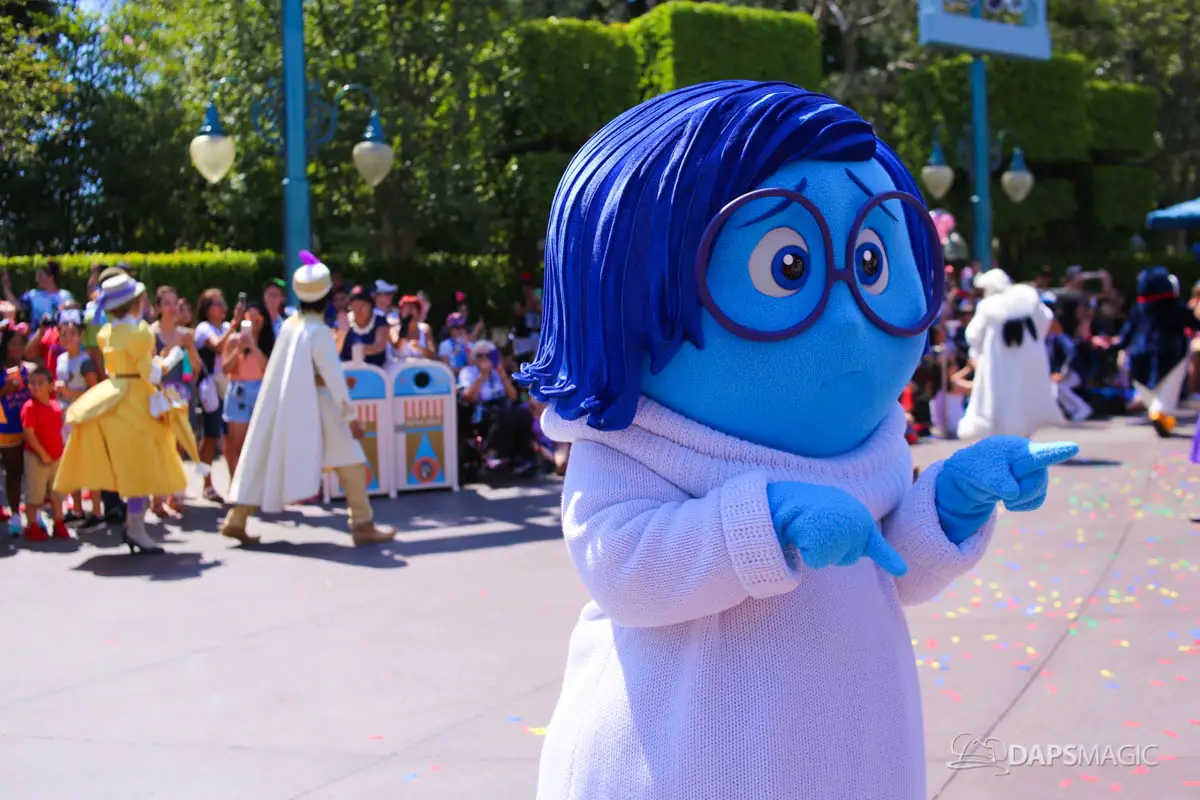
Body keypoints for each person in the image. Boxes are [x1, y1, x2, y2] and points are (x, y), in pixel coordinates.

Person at [514, 81, 1078, 800]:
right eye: (790, 267)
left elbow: (887, 567)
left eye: (871, 265)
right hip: (679, 764)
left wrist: (951, 502)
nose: (847, 320)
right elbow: (621, 567)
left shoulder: (869, 441)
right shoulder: (637, 444)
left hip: (849, 757)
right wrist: (768, 522)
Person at [218, 251, 394, 547]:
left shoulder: (291, 325)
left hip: (284, 404)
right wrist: (351, 418)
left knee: (264, 456)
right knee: (351, 458)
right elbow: (332, 377)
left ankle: (236, 518)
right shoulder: (319, 331)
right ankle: (362, 523)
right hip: (318, 404)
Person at [53, 272, 204, 555]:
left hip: (114, 396)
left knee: (129, 466)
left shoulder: (107, 332)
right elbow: (152, 373)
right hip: (135, 400)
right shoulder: (139, 333)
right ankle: (136, 528)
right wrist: (174, 355)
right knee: (141, 467)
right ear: (135, 303)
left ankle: (134, 526)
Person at [957, 272, 1064, 440]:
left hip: (998, 363)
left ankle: (1004, 439)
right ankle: (1025, 436)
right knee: (1026, 395)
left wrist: (978, 353)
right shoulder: (1026, 298)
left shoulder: (988, 306)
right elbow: (1045, 320)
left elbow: (973, 335)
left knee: (1000, 399)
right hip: (1028, 359)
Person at [150, 286, 204, 517]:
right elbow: (152, 366)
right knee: (160, 446)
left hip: (182, 396)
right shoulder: (150, 333)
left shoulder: (186, 334)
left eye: (175, 303)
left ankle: (176, 495)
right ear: (158, 307)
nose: (173, 308)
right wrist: (174, 347)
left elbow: (197, 368)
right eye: (167, 303)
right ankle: (157, 499)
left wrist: (189, 347)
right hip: (159, 395)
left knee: (180, 445)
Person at [459, 339, 535, 474]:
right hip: (481, 409)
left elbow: (513, 396)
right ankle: (493, 453)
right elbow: (468, 397)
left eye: (487, 355)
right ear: (474, 357)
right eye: (480, 356)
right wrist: (481, 376)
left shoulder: (497, 372)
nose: (484, 359)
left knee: (523, 414)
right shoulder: (468, 372)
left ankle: (523, 457)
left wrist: (502, 374)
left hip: (502, 405)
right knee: (502, 416)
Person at [54, 317, 101, 525]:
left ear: (81, 336)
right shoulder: (60, 359)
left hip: (83, 416)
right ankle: (77, 508)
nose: (68, 338)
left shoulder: (85, 361)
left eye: (72, 334)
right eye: (63, 334)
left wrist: (69, 392)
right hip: (65, 416)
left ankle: (97, 511)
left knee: (90, 462)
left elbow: (94, 390)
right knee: (70, 462)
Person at [221, 300, 273, 481]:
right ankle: (237, 484)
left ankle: (258, 486)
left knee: (261, 445)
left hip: (261, 392)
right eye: (249, 317)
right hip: (238, 393)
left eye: (257, 318)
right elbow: (226, 368)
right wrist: (239, 349)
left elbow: (269, 369)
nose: (254, 322)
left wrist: (254, 346)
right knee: (238, 445)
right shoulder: (233, 341)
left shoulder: (269, 341)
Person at [194, 289, 235, 501]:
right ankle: (207, 484)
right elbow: (218, 346)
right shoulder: (203, 329)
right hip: (210, 388)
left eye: (222, 303)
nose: (222, 307)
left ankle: (235, 483)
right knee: (210, 436)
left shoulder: (227, 327)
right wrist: (235, 326)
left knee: (231, 436)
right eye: (217, 304)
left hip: (229, 386)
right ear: (207, 309)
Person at [20, 366, 68, 541]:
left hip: (56, 457)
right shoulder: (29, 407)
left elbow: (59, 431)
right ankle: (32, 526)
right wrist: (42, 454)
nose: (36, 386)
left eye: (41, 382)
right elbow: (29, 434)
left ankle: (59, 523)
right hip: (36, 458)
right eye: (32, 383)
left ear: (50, 385)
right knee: (35, 495)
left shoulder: (56, 406)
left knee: (57, 494)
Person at [0, 326, 33, 535]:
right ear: (5, 347)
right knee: (13, 472)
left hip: (30, 428)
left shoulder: (29, 369)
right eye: (13, 344)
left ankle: (34, 516)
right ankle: (15, 516)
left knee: (32, 472)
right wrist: (5, 390)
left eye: (21, 343)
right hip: (7, 428)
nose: (18, 348)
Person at [1, 260, 73, 325]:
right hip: (37, 335)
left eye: (40, 275)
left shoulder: (65, 296)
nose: (37, 279)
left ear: (51, 277)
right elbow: (17, 306)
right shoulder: (33, 295)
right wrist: (6, 287)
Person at [336, 285, 388, 367]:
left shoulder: (380, 321)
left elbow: (380, 345)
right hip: (347, 370)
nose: (358, 310)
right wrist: (342, 332)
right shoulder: (344, 321)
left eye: (362, 306)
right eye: (355, 306)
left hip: (376, 370)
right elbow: (335, 351)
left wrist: (362, 350)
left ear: (370, 306)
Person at [510, 273, 542, 364]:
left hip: (538, 336)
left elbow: (543, 312)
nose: (527, 289)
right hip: (522, 339)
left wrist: (536, 302)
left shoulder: (539, 298)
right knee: (522, 361)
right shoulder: (519, 300)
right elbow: (518, 313)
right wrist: (530, 304)